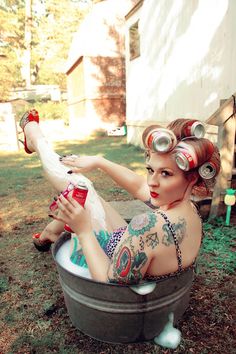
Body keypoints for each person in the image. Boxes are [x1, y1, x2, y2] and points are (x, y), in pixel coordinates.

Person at [19, 110, 220, 284]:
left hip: (111, 261)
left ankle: (35, 137)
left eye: (166, 174)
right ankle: (48, 234)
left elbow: (109, 283)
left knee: (78, 185)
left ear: (192, 178)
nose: (152, 181)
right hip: (126, 245)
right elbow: (140, 185)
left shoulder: (147, 226)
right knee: (86, 192)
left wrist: (84, 230)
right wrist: (100, 162)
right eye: (150, 170)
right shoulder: (190, 209)